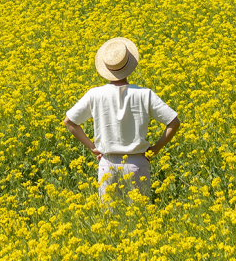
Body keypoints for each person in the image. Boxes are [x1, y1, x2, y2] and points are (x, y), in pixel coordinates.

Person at [63, 37, 180, 199]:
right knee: (140, 220)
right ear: (129, 65)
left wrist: (92, 147)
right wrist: (155, 150)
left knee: (110, 221)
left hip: (107, 165)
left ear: (106, 68)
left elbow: (70, 122)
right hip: (137, 164)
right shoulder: (144, 94)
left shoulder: (95, 94)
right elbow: (174, 122)